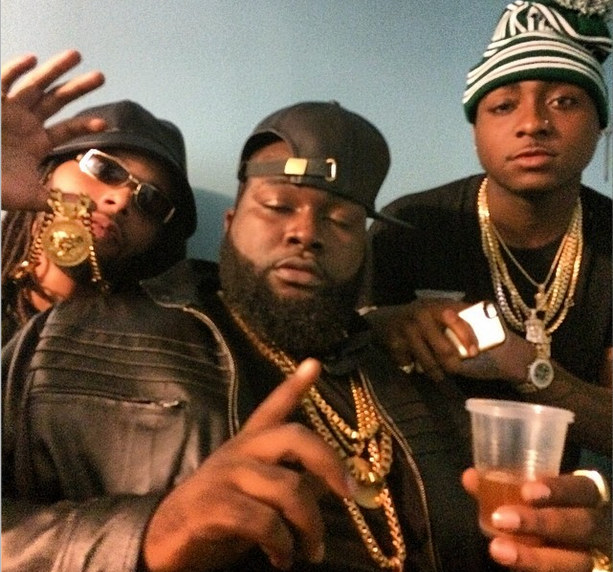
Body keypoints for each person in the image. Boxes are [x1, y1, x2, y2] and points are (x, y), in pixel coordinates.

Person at [2, 101, 610, 572]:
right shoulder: (79, 340)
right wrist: (148, 535)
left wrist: (577, 548)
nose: (306, 232)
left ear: (364, 250)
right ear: (231, 223)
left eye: (341, 219)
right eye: (277, 205)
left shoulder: (414, 376)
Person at [366, 0, 612, 466]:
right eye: (503, 105)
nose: (533, 123)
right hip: (415, 490)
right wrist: (386, 325)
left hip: (546, 496)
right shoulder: (409, 226)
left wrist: (524, 364)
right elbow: (345, 370)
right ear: (475, 129)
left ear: (599, 124)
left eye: (564, 101)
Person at [1, 50, 198, 343]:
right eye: (105, 169)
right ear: (48, 171)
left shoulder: (152, 352)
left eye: (152, 201)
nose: (121, 200)